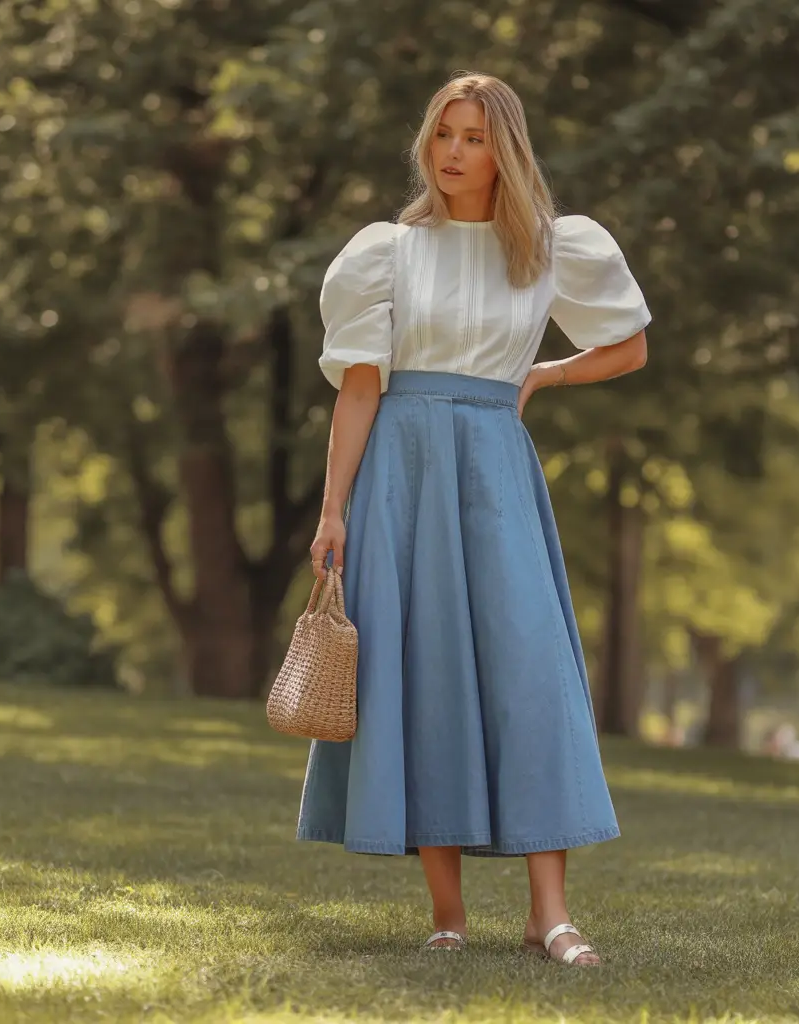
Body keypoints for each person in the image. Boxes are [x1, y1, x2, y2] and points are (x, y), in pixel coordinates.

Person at [297, 71, 651, 967]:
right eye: (445, 134)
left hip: (494, 466)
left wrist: (544, 374)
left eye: (475, 137)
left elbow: (629, 343)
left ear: (507, 150)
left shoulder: (551, 248)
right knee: (426, 672)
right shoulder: (387, 251)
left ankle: (551, 915)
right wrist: (333, 508)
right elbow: (360, 388)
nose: (454, 152)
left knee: (530, 671)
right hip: (401, 473)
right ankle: (448, 916)